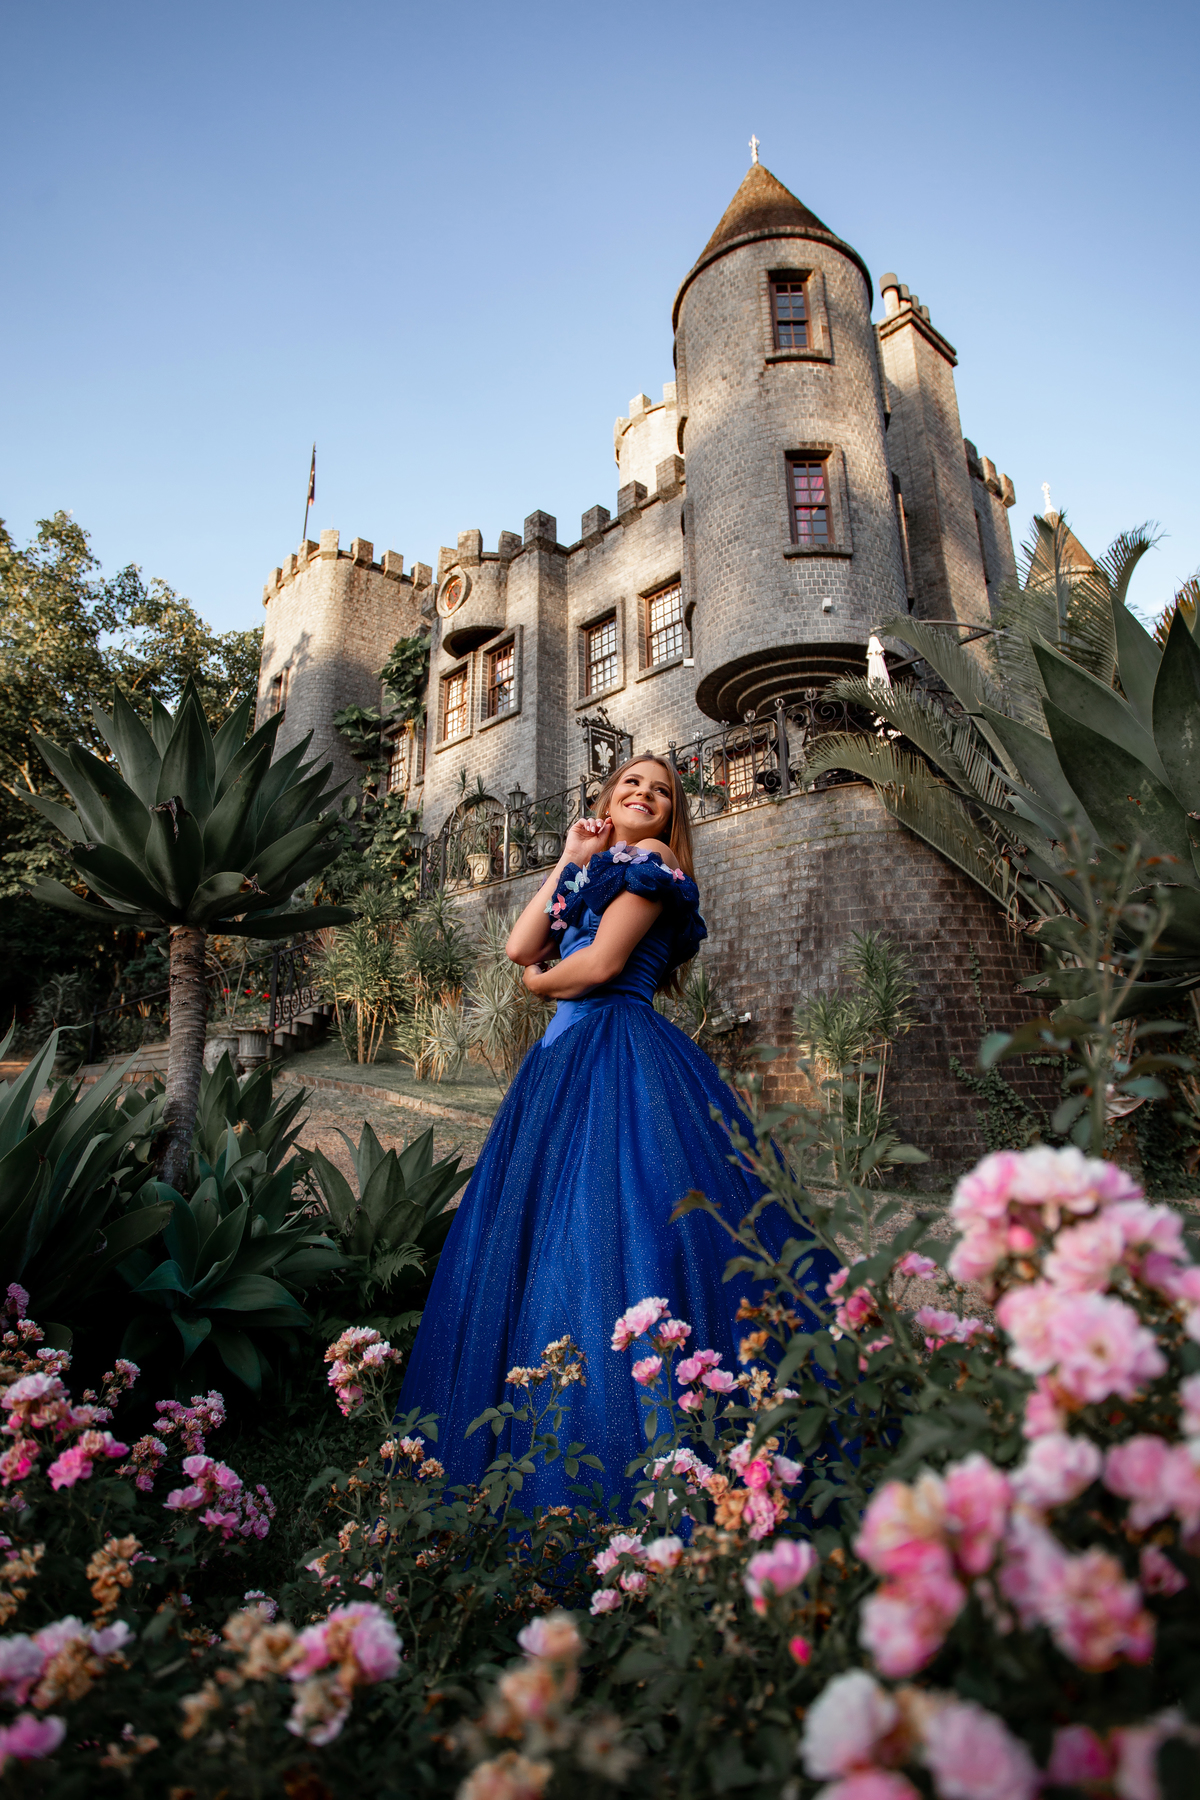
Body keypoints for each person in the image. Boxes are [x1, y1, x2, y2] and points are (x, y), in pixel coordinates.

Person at [396, 755, 834, 1506]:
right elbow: (517, 942)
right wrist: (571, 856)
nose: (645, 794)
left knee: (617, 1223)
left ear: (671, 820)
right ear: (606, 797)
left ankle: (642, 1448)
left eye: (662, 792)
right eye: (632, 783)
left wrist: (538, 983)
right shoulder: (597, 864)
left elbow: (594, 964)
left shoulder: (655, 861)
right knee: (551, 1227)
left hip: (617, 1047)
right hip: (563, 1057)